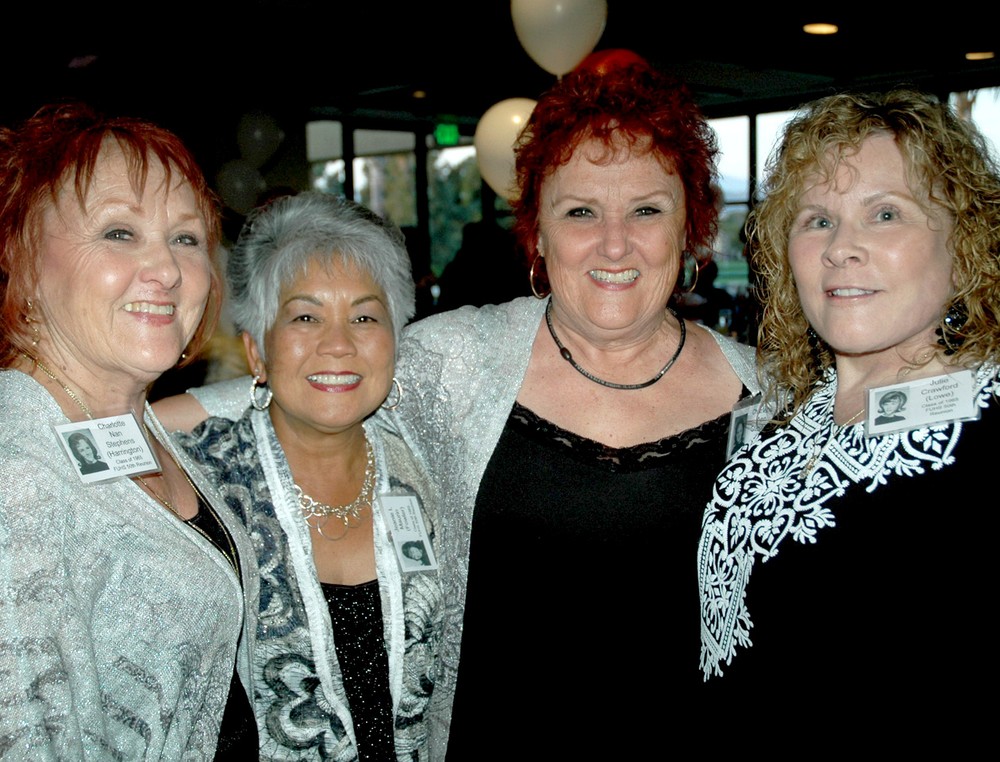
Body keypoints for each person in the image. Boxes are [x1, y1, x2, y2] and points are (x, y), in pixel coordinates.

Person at [155, 57, 766, 756]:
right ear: (538, 231)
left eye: (647, 210)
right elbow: (324, 376)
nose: (614, 243)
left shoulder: (766, 398)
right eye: (580, 212)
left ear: (690, 226)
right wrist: (122, 426)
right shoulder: (460, 361)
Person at [697, 89, 1000, 753]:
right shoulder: (777, 414)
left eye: (885, 213)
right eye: (817, 220)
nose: (841, 248)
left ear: (964, 243)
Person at [0, 101, 258, 758]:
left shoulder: (129, 420)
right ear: (19, 255)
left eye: (186, 239)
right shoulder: (15, 479)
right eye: (119, 232)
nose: (167, 270)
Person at [159, 191, 442, 760]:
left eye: (364, 317)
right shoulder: (198, 486)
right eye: (305, 317)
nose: (338, 344)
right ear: (256, 352)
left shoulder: (430, 465)